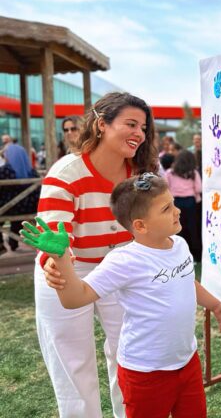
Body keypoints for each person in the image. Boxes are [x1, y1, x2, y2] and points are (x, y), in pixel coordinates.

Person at [28, 173, 221, 418]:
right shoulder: (124, 260)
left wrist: (215, 305)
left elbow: (186, 282)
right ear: (140, 226)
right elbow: (76, 298)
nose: (177, 211)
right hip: (145, 374)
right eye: (166, 208)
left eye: (173, 203)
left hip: (187, 361)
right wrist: (62, 259)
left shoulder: (180, 245)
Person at [35, 92, 159, 418]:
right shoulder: (67, 172)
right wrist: (55, 263)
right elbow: (54, 238)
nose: (139, 133)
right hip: (69, 268)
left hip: (119, 268)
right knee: (74, 363)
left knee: (130, 353)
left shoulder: (140, 175)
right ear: (102, 124)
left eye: (143, 127)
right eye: (130, 124)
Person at [0, 143, 40, 254]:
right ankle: (13, 243)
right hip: (29, 208)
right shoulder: (31, 171)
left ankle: (1, 245)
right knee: (17, 218)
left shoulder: (5, 171)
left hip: (8, 208)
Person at [165, 150, 202, 263]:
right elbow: (199, 189)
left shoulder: (170, 172)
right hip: (190, 202)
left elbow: (165, 187)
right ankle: (196, 255)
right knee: (193, 228)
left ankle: (179, 254)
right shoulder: (193, 173)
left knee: (178, 228)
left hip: (175, 202)